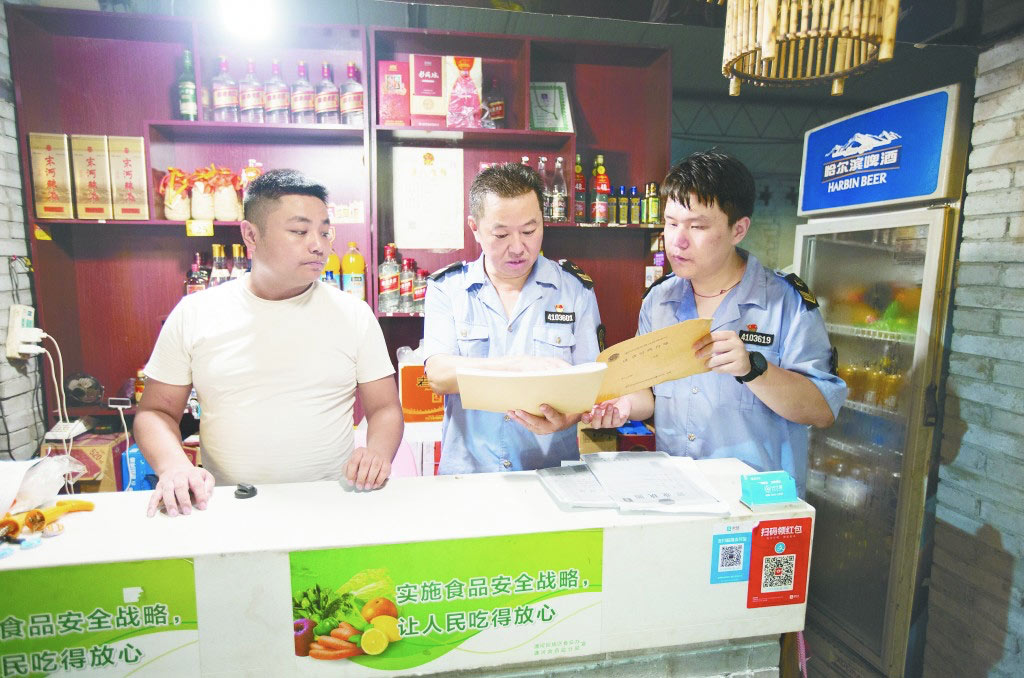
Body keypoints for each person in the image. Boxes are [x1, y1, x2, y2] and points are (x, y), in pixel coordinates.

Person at [136, 169, 403, 517]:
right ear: (251, 234)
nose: (318, 245)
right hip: (228, 505)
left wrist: (377, 453)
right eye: (299, 231)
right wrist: (173, 466)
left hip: (333, 502)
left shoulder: (354, 314)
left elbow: (384, 408)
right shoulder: (195, 313)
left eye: (325, 232)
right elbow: (155, 412)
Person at [584, 150, 846, 494]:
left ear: (739, 229)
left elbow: (823, 410)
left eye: (697, 226)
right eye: (671, 223)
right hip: (678, 494)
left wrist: (755, 369)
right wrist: (624, 405)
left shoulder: (786, 303)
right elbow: (647, 393)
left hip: (756, 501)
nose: (678, 240)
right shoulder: (659, 301)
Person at [422, 162, 602, 473]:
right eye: (501, 234)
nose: (518, 247)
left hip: (550, 473)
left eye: (530, 231)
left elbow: (591, 386)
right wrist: (518, 366)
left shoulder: (575, 290)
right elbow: (439, 375)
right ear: (475, 228)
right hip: (469, 477)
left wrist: (565, 419)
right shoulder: (447, 289)